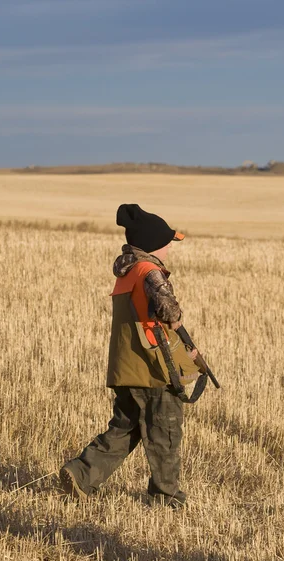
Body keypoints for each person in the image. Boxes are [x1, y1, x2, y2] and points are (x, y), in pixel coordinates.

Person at [60, 204, 200, 508]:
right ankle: (166, 497)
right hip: (151, 367)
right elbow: (168, 310)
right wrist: (178, 325)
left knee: (127, 427)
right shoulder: (150, 271)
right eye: (166, 244)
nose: (168, 250)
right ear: (153, 244)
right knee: (165, 429)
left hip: (126, 365)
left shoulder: (126, 272)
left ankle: (81, 475)